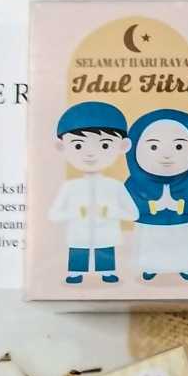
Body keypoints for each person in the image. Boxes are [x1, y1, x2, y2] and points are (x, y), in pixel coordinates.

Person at [48, 101, 139, 285]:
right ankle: (75, 273)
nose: (90, 154)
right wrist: (75, 212)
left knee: (105, 251)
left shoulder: (115, 186)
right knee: (78, 251)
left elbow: (133, 214)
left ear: (123, 146)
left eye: (104, 145)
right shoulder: (70, 187)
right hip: (78, 235)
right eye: (78, 146)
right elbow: (54, 215)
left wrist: (111, 212)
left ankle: (107, 272)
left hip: (106, 234)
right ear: (61, 147)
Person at [125, 109, 188, 282]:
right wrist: (152, 206)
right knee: (150, 242)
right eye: (153, 147)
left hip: (183, 225)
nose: (166, 155)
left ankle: (184, 266)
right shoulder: (135, 184)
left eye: (178, 146)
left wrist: (179, 206)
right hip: (151, 226)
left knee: (184, 242)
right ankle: (151, 266)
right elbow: (128, 206)